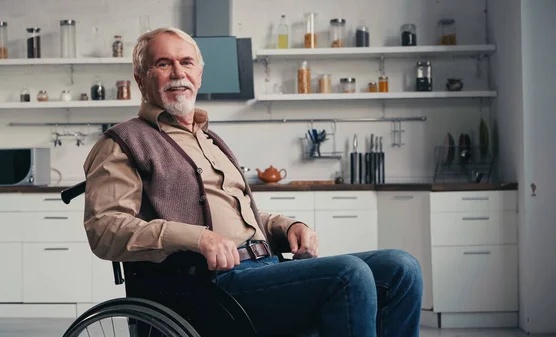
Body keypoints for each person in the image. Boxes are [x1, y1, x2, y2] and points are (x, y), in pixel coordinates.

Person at [83, 27, 423, 337]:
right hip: (207, 287)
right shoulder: (123, 142)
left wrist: (286, 225)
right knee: (348, 274)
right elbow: (105, 229)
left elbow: (238, 217)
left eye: (186, 62)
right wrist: (196, 237)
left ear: (199, 75)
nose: (178, 73)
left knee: (400, 268)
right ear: (141, 79)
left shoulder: (209, 140)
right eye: (163, 63)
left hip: (264, 267)